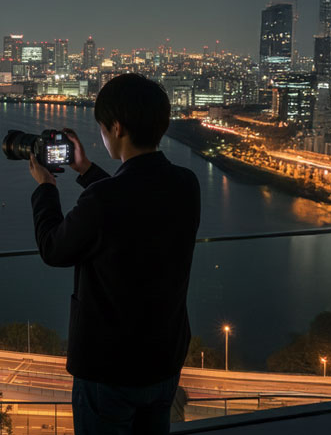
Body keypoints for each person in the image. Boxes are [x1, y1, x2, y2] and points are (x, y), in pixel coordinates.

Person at [28, 73, 201, 434]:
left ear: (117, 127)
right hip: (164, 360)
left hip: (109, 368)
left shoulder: (104, 199)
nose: (103, 135)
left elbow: (53, 248)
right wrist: (86, 169)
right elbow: (131, 201)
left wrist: (46, 187)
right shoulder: (186, 184)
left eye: (103, 128)